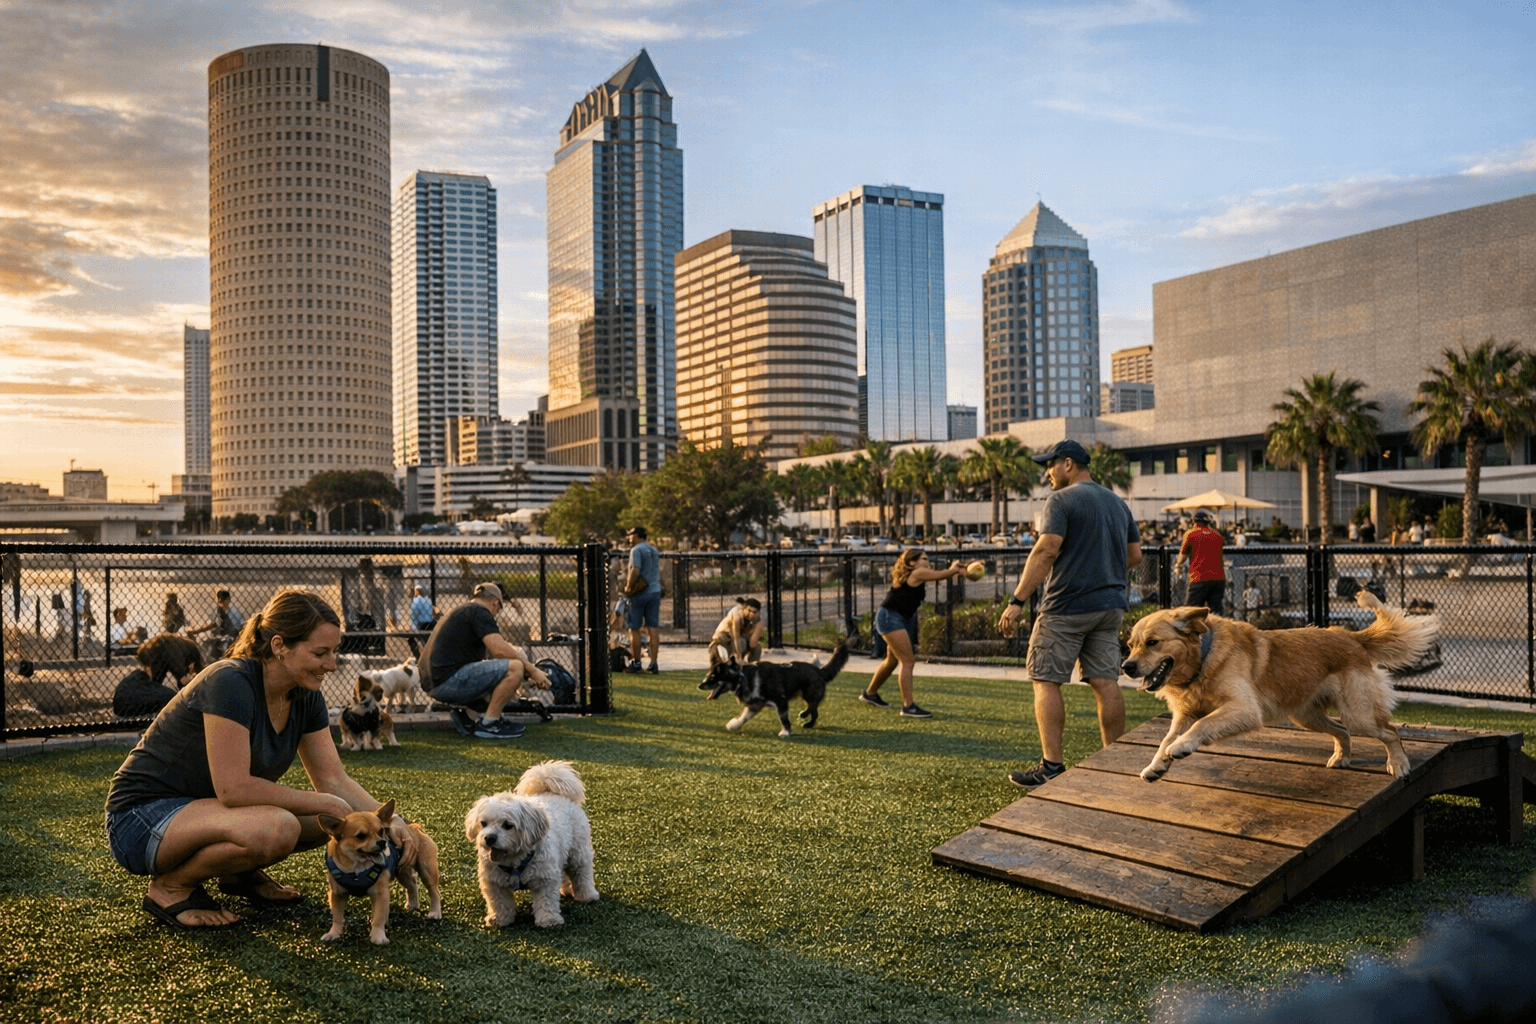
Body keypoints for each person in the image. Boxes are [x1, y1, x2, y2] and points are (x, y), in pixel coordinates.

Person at [104, 590, 417, 928]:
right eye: (320, 653)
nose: (332, 664)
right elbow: (234, 789)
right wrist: (327, 801)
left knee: (329, 821)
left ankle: (238, 875)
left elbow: (334, 779)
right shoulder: (230, 680)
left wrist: (391, 822)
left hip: (204, 812)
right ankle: (171, 887)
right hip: (141, 817)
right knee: (280, 827)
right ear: (280, 646)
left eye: (334, 652)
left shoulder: (304, 692)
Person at [996, 439, 1142, 788]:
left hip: (1065, 607)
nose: (1046, 473)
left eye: (1049, 465)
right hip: (1109, 608)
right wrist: (1102, 571)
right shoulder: (1117, 503)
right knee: (1106, 683)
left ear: (1068, 464)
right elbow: (1135, 555)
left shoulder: (1060, 500)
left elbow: (1046, 550)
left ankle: (1051, 766)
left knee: (1045, 681)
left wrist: (1017, 601)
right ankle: (1115, 762)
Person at [417, 582, 550, 740]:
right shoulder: (480, 611)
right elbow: (499, 649)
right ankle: (490, 724)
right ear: (495, 604)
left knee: (501, 673)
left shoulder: (464, 610)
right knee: (515, 667)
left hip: (434, 682)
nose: (496, 614)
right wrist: (532, 670)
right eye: (498, 610)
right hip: (447, 681)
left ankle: (467, 716)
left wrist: (527, 675)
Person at [860, 549, 967, 718]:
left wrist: (957, 569)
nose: (927, 561)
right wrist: (955, 569)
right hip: (891, 618)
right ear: (912, 562)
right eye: (923, 558)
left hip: (894, 617)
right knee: (908, 661)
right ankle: (908, 706)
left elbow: (941, 574)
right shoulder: (918, 572)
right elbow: (940, 575)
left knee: (892, 661)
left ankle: (870, 694)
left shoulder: (918, 573)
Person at [113, 634, 204, 718]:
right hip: (156, 656)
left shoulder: (171, 648)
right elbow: (183, 680)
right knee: (170, 695)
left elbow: (182, 681)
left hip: (124, 705)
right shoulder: (173, 650)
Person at [623, 525, 662, 674]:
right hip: (655, 590)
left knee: (634, 629)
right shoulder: (653, 549)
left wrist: (628, 586)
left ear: (637, 535)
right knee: (653, 628)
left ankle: (637, 662)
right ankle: (653, 663)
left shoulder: (636, 550)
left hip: (640, 593)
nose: (628, 538)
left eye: (630, 535)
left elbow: (635, 569)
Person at [1174, 510, 1227, 614]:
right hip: (1219, 578)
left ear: (1194, 521)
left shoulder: (1191, 534)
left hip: (1199, 578)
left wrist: (1178, 565)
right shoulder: (1216, 535)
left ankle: (1194, 630)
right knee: (1216, 612)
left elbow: (1182, 557)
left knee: (1191, 613)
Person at [188, 589, 246, 659]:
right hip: (220, 638)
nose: (221, 603)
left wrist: (196, 631)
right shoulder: (219, 611)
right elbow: (213, 624)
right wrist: (196, 631)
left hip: (230, 638)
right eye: (220, 601)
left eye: (223, 600)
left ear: (229, 600)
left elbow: (215, 625)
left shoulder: (233, 612)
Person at [709, 597, 765, 667]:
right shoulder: (737, 615)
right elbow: (736, 637)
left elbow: (752, 644)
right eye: (749, 610)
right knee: (722, 666)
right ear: (744, 608)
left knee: (757, 647)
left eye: (754, 612)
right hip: (722, 640)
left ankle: (753, 669)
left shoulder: (757, 620)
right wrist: (739, 657)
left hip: (739, 642)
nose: (751, 614)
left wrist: (758, 629)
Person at [406, 585, 435, 657]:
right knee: (428, 643)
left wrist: (414, 629)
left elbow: (414, 616)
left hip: (422, 625)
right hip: (431, 624)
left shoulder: (416, 601)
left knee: (411, 639)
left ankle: (418, 658)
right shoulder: (428, 600)